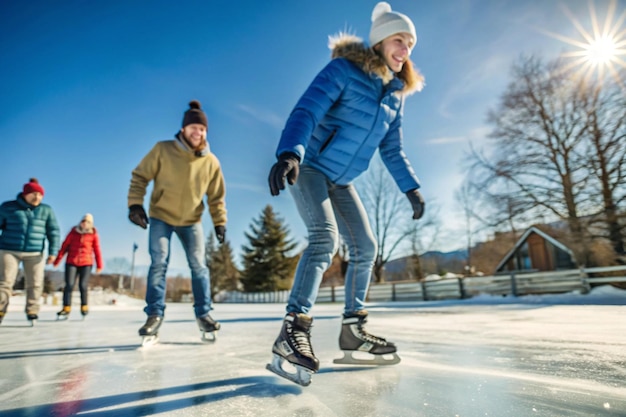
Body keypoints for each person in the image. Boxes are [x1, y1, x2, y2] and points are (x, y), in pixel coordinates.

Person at [266, 2, 426, 386]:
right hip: (310, 168)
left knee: (366, 246)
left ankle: (353, 329)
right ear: (379, 41)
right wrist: (290, 153)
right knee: (325, 237)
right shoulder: (343, 70)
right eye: (398, 40)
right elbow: (307, 110)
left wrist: (411, 187)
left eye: (410, 44)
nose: (405, 50)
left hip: (342, 179)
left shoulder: (394, 97)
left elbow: (392, 148)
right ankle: (294, 328)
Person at [128, 100, 227, 345]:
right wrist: (135, 205)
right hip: (161, 216)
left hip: (192, 220)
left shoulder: (211, 162)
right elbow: (139, 176)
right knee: (159, 262)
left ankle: (203, 314)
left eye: (202, 128)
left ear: (206, 132)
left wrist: (220, 222)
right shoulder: (162, 150)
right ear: (183, 129)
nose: (198, 132)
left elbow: (216, 197)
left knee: (199, 266)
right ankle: (154, 315)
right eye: (193, 127)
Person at [0, 178, 60, 325]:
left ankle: (32, 310)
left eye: (40, 195)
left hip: (35, 252)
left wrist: (53, 252)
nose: (37, 197)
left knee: (35, 283)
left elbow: (53, 231)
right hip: (9, 249)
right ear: (25, 194)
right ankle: (1, 309)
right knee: (5, 282)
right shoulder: (8, 207)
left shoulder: (46, 210)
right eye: (34, 194)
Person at [53, 213, 103, 319]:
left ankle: (84, 306)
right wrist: (57, 260)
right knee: (69, 285)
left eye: (88, 222)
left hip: (86, 263)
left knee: (83, 285)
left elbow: (97, 250)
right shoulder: (73, 232)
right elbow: (64, 246)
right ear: (80, 222)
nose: (85, 223)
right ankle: (66, 307)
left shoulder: (93, 234)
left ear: (91, 224)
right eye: (83, 221)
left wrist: (99, 264)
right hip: (71, 261)